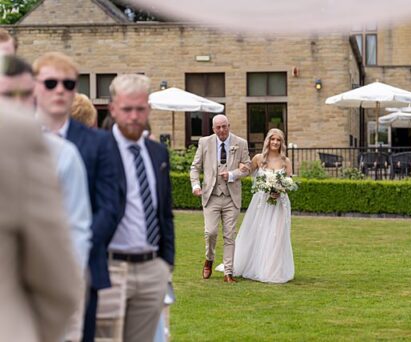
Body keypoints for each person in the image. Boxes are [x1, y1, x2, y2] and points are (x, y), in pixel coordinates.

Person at [33, 52, 126, 342]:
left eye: (68, 83)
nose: (59, 89)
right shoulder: (15, 136)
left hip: (82, 266)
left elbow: (111, 206)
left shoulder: (101, 143)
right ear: (35, 86)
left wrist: (74, 252)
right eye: (50, 83)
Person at [2, 54, 93, 342]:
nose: (16, 104)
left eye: (24, 94)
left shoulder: (59, 153)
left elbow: (73, 232)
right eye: (6, 95)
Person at [104, 73, 175, 341]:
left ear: (148, 108)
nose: (134, 116)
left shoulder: (157, 153)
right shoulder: (98, 150)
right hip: (111, 267)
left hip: (151, 268)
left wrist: (166, 262)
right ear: (113, 108)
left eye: (140, 109)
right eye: (127, 109)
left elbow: (165, 212)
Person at [189, 114, 251, 283]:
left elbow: (247, 167)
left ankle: (228, 272)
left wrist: (232, 174)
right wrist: (196, 185)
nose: (222, 130)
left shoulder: (241, 143)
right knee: (210, 232)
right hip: (211, 196)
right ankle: (209, 259)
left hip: (232, 197)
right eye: (218, 127)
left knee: (230, 234)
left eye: (224, 126)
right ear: (213, 129)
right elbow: (195, 168)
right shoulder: (204, 142)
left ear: (229, 125)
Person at [231, 128, 295, 283]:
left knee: (277, 236)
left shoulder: (286, 161)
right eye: (272, 139)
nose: (275, 142)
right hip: (261, 203)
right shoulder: (259, 158)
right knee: (259, 233)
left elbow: (290, 181)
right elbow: (247, 171)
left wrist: (281, 189)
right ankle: (257, 266)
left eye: (278, 140)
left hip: (280, 204)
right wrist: (239, 167)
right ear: (268, 141)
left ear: (282, 142)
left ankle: (272, 270)